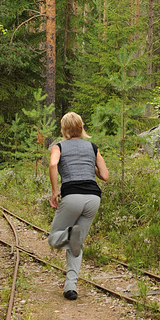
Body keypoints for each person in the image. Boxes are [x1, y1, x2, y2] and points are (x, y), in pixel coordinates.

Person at [48, 112, 109, 300]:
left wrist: (54, 190)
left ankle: (68, 234)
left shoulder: (58, 146)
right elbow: (105, 176)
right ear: (81, 127)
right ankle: (70, 287)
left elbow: (52, 165)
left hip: (73, 196)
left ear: (64, 128)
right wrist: (89, 164)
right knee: (76, 245)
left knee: (54, 239)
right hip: (93, 198)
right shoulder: (92, 147)